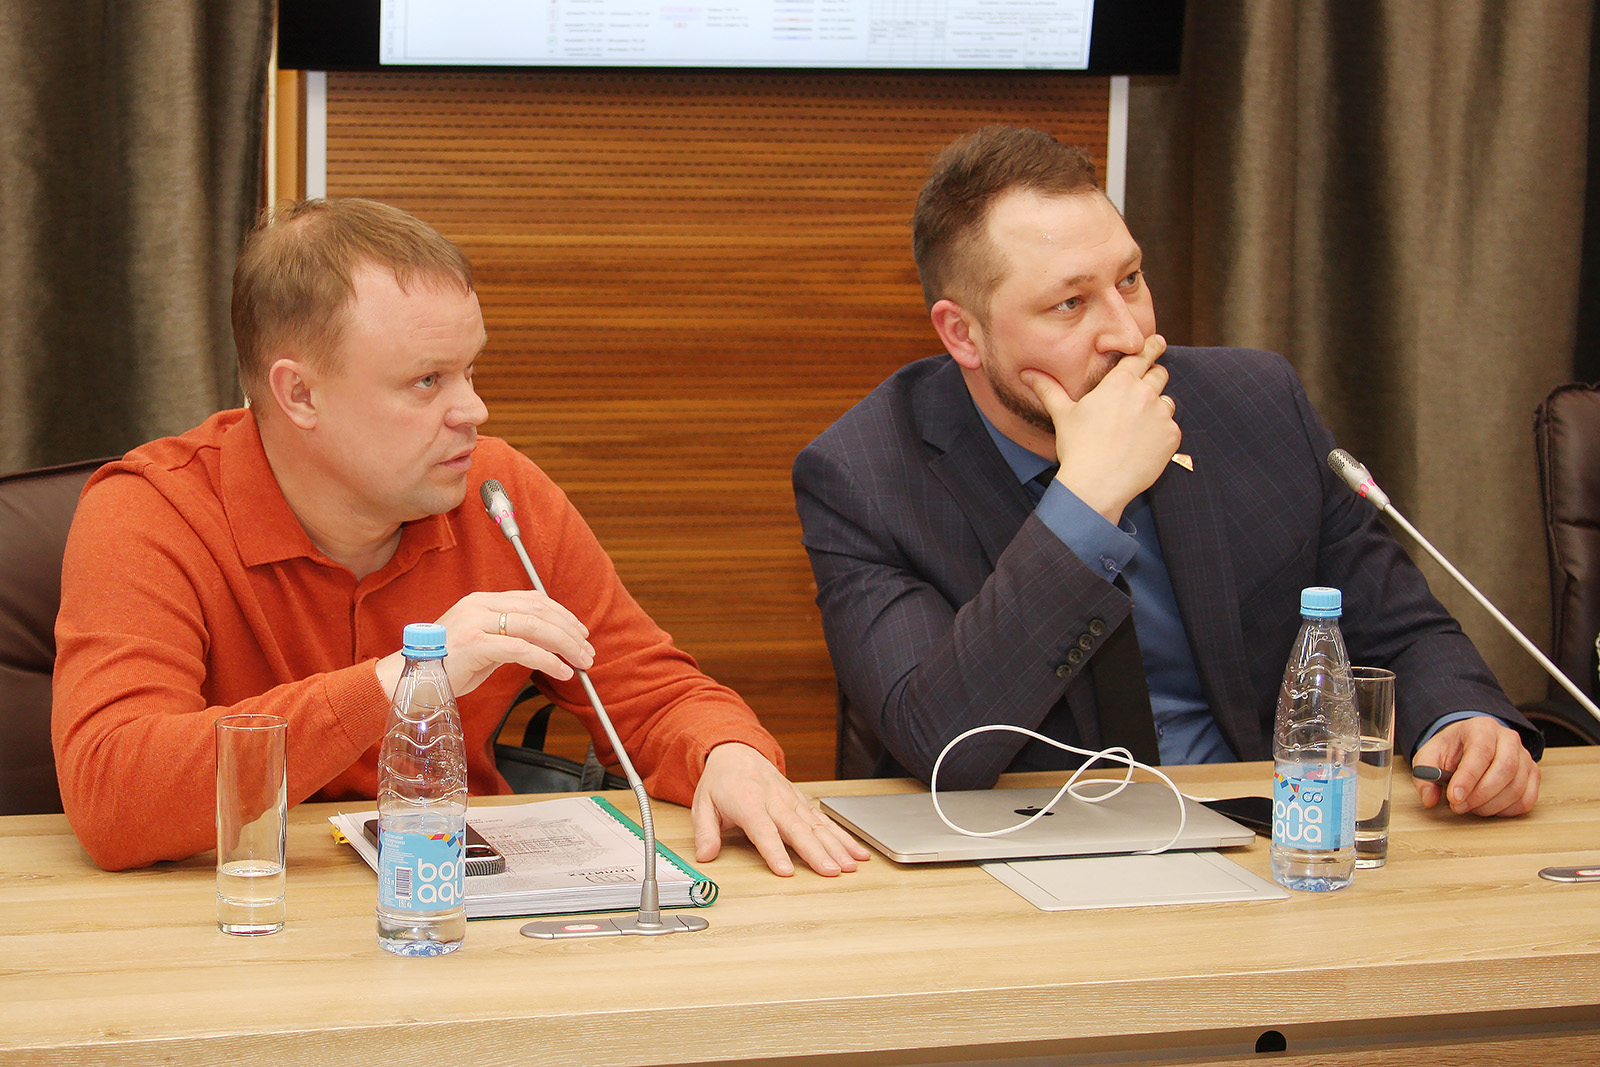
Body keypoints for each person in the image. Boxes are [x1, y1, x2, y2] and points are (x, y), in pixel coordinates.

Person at [53, 197, 869, 876]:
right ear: (300, 394)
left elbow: (656, 698)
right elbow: (113, 792)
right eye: (427, 380)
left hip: (461, 917)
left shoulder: (499, 492)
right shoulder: (150, 512)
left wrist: (725, 751)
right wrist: (402, 679)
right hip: (237, 927)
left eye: (470, 370)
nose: (473, 410)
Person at [793, 126, 1541, 817]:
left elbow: (1399, 631)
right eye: (1070, 303)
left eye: (1130, 280)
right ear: (963, 333)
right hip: (1028, 853)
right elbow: (944, 744)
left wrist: (1463, 717)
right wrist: (1085, 502)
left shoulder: (1256, 405)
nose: (1128, 333)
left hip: (1271, 834)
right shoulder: (864, 478)